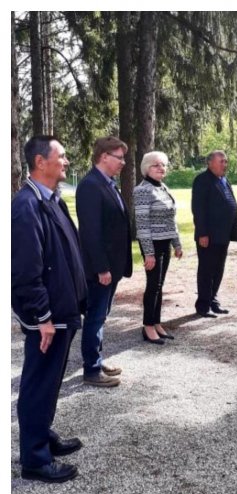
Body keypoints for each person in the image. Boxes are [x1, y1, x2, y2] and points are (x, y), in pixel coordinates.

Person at [12, 136, 86, 482]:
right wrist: (42, 318)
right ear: (40, 162)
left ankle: (42, 434)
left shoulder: (52, 200)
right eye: (61, 156)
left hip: (62, 311)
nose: (66, 162)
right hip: (49, 317)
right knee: (39, 384)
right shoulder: (26, 205)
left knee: (50, 381)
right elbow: (26, 272)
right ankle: (35, 460)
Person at [76, 136, 132, 387]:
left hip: (112, 266)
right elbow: (91, 231)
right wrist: (101, 268)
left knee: (102, 315)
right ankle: (91, 369)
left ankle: (96, 358)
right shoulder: (90, 185)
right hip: (101, 268)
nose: (123, 162)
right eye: (119, 157)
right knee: (96, 315)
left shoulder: (107, 183)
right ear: (104, 156)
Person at [134, 151, 183, 344]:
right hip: (152, 243)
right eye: (156, 165)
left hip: (165, 242)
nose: (161, 168)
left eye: (163, 165)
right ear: (146, 168)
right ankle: (147, 326)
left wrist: (177, 244)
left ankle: (156, 322)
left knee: (159, 285)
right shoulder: (143, 190)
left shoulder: (163, 187)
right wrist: (149, 253)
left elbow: (171, 219)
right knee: (153, 286)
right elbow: (142, 223)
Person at [191, 150, 237, 318]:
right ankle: (203, 306)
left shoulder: (224, 180)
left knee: (218, 269)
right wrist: (202, 234)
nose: (224, 164)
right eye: (221, 161)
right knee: (206, 270)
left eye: (226, 161)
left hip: (223, 234)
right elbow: (199, 210)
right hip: (208, 236)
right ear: (210, 163)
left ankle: (213, 301)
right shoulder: (202, 180)